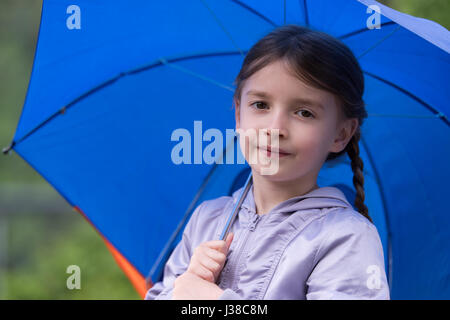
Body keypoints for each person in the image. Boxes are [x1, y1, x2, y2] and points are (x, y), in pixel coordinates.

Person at [145, 25, 390, 300]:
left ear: (341, 133)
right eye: (261, 105)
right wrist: (184, 288)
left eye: (304, 112)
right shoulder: (207, 220)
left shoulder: (345, 238)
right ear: (239, 114)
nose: (275, 128)